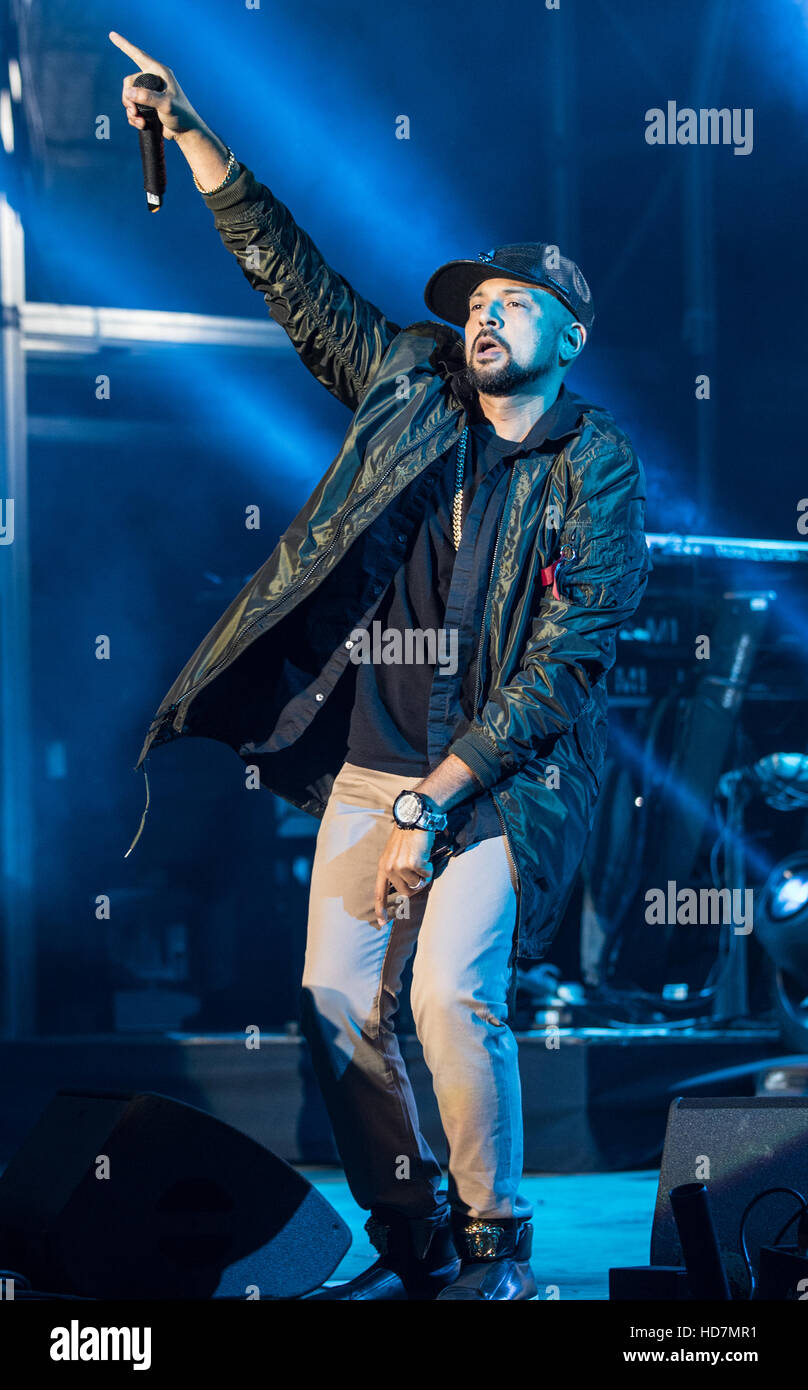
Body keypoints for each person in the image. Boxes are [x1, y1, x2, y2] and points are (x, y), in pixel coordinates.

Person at [112, 31, 652, 1301]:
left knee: (451, 999)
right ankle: (409, 1238)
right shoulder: (405, 387)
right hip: (373, 761)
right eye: (471, 303)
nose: (479, 318)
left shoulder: (594, 466)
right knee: (333, 998)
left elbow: (575, 655)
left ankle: (495, 1248)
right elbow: (295, 282)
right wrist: (195, 136)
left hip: (507, 780)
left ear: (568, 333)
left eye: (510, 304)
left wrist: (438, 796)